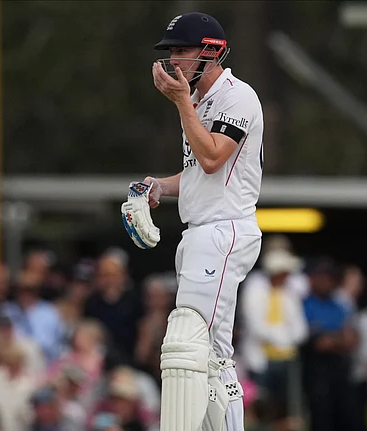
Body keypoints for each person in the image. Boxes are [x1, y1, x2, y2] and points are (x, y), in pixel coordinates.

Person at [121, 12, 264, 431]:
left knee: (188, 345)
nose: (173, 61)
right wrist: (159, 187)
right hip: (201, 231)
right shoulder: (200, 100)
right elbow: (201, 173)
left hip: (225, 229)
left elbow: (214, 155)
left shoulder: (237, 96)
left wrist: (183, 103)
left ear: (210, 51)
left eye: (181, 52)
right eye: (170, 52)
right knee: (211, 355)